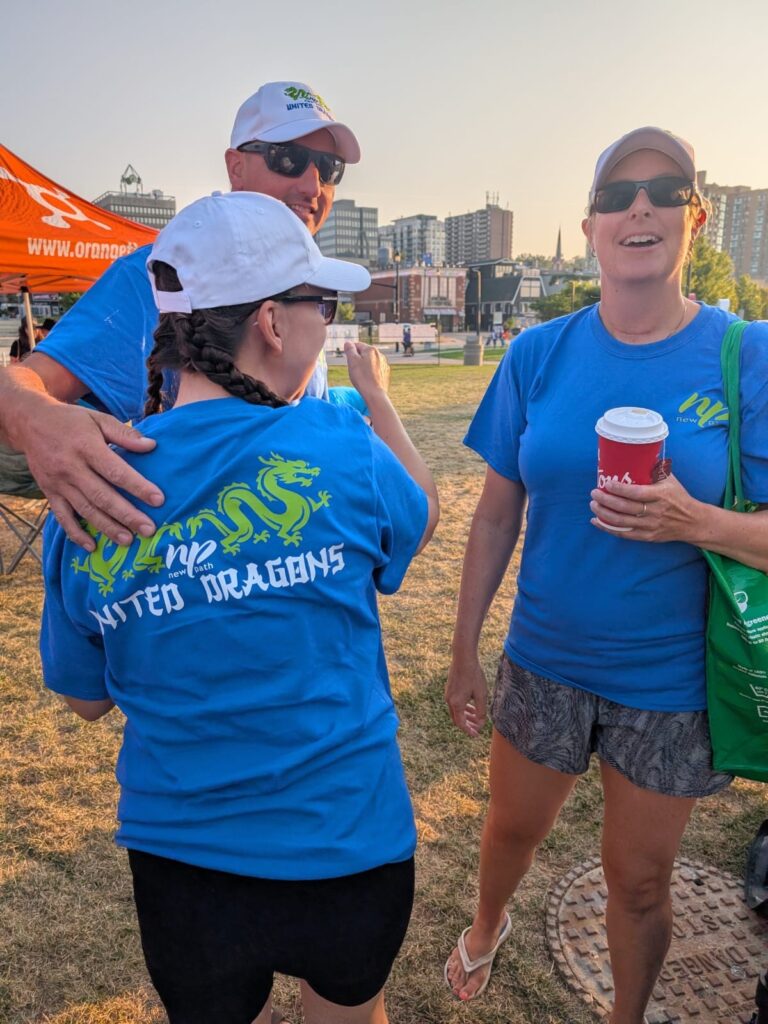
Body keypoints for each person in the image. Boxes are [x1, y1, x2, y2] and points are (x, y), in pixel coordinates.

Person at [40, 191, 439, 1024]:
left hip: (185, 871)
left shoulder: (86, 483)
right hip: (350, 847)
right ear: (270, 321)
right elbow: (419, 517)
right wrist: (381, 400)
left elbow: (84, 700)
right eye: (320, 303)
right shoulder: (340, 443)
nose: (326, 324)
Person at [443, 127, 768, 1023]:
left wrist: (691, 520)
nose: (641, 207)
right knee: (511, 832)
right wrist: (465, 649)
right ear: (589, 226)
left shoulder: (748, 356)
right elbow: (498, 515)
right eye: (619, 194)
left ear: (695, 219)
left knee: (637, 884)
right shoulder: (537, 354)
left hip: (672, 684)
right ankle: (486, 924)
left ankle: (627, 1015)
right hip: (545, 655)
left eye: (665, 190)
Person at [0, 81, 358, 551]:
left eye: (330, 168)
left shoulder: (312, 281)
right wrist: (39, 420)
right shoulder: (158, 273)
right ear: (236, 167)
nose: (313, 186)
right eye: (287, 159)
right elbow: (22, 383)